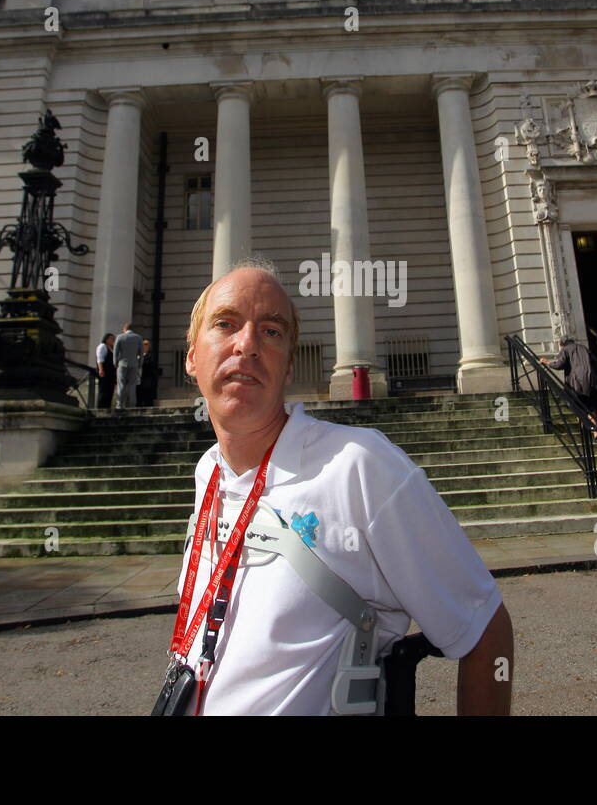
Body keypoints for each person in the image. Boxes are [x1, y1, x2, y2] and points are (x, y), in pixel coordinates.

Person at [167, 259, 513, 715]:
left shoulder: (359, 466)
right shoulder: (209, 472)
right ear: (192, 355)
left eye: (271, 331)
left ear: (290, 366)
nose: (246, 344)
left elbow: (486, 632)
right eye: (225, 324)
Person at [541, 336, 597, 440]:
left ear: (562, 344)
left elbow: (559, 365)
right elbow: (596, 364)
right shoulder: (583, 348)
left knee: (577, 406)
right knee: (588, 407)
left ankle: (591, 428)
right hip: (591, 381)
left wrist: (547, 363)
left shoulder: (566, 350)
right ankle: (593, 431)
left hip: (576, 383)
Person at [114, 323, 144, 410]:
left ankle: (119, 404)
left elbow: (116, 352)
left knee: (121, 384)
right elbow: (141, 353)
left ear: (125, 329)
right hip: (134, 364)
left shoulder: (120, 337)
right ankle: (132, 405)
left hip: (122, 364)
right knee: (132, 385)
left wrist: (115, 363)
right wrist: (140, 364)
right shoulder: (138, 338)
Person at [95, 332, 116, 411]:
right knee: (104, 391)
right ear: (106, 339)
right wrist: (101, 369)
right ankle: (100, 408)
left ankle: (107, 408)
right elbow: (100, 359)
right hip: (105, 372)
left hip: (111, 374)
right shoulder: (102, 346)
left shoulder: (111, 348)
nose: (113, 341)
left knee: (110, 391)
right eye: (111, 339)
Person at [136, 338, 158, 407]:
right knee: (139, 393)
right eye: (143, 345)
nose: (144, 346)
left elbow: (151, 364)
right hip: (139, 377)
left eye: (146, 345)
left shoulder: (151, 355)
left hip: (148, 377)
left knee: (148, 394)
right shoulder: (139, 355)